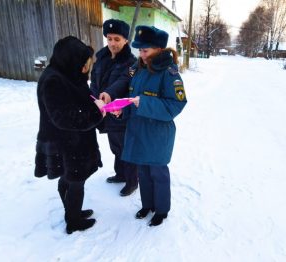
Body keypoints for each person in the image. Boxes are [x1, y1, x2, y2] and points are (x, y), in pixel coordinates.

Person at [116, 25, 187, 226]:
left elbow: (176, 104)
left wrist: (144, 103)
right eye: (140, 50)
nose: (141, 54)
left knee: (158, 173)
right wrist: (123, 110)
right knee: (143, 172)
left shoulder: (169, 73)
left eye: (145, 50)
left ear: (158, 49)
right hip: (138, 130)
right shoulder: (138, 69)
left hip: (157, 134)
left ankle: (161, 210)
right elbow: (132, 99)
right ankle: (147, 205)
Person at [34, 36, 106, 234]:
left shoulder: (66, 72)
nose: (85, 69)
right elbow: (64, 118)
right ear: (71, 59)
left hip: (73, 142)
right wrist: (96, 113)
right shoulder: (53, 81)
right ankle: (73, 221)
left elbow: (75, 100)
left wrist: (96, 104)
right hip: (66, 144)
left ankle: (72, 212)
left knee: (70, 179)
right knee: (75, 182)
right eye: (84, 65)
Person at [90, 19, 138, 197]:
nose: (112, 43)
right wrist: (94, 97)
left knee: (126, 148)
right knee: (115, 146)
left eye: (117, 39)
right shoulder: (101, 58)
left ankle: (132, 181)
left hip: (120, 112)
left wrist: (108, 93)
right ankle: (120, 174)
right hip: (104, 111)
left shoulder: (132, 63)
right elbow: (94, 80)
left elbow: (124, 80)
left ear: (126, 40)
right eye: (109, 38)